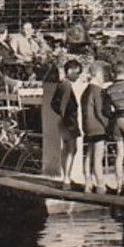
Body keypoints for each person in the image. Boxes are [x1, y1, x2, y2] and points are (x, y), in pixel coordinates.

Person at [47, 59, 86, 190]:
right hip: (69, 121)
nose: (78, 76)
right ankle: (67, 179)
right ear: (70, 71)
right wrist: (66, 117)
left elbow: (54, 104)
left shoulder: (61, 84)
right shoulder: (67, 85)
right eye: (77, 72)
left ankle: (66, 177)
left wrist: (60, 115)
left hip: (64, 120)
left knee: (66, 149)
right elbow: (64, 105)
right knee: (72, 149)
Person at [81, 63, 113, 194]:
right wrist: (108, 125)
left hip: (87, 126)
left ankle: (87, 183)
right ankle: (100, 183)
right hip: (98, 127)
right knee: (98, 156)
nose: (104, 78)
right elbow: (100, 112)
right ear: (98, 75)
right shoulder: (98, 91)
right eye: (103, 75)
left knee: (89, 154)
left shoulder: (85, 91)